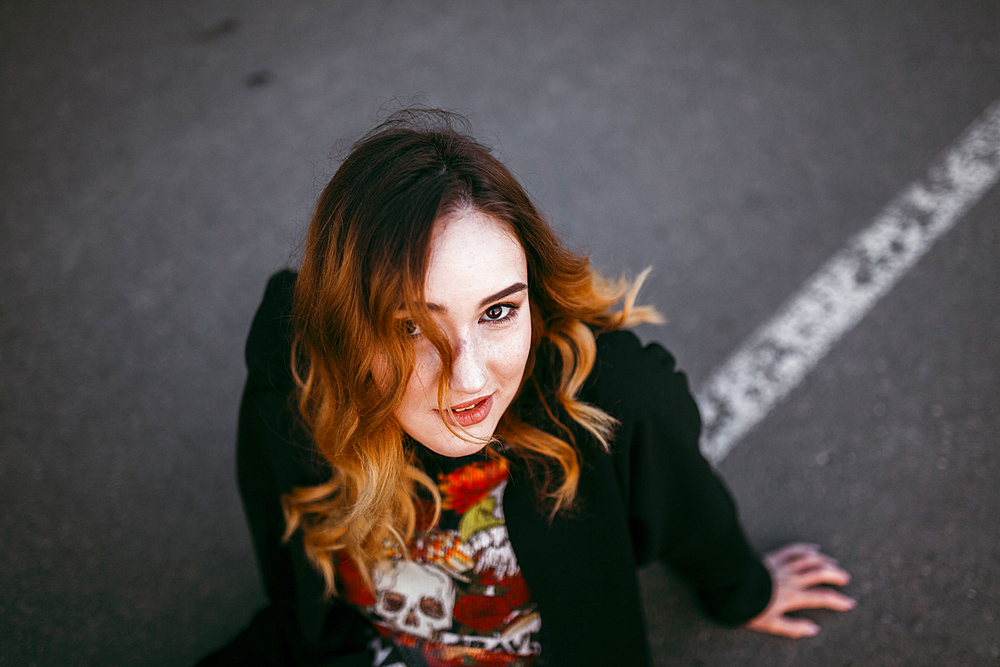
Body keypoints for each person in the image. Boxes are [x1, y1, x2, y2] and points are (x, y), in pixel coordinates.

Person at [198, 109, 854, 667]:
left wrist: (743, 588)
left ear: (533, 293)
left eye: (498, 311)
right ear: (342, 328)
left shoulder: (613, 396)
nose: (471, 378)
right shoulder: (296, 363)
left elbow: (682, 498)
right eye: (409, 327)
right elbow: (277, 509)